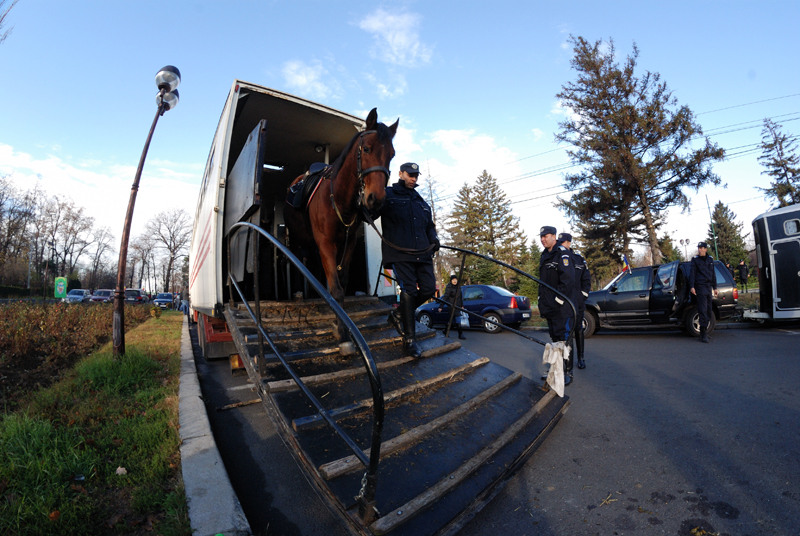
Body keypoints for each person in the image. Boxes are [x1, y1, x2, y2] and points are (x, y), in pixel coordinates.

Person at [379, 162, 439, 358]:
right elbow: (371, 210)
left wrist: (434, 239)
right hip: (400, 253)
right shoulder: (388, 194)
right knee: (409, 291)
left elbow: (429, 226)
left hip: (423, 253)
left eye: (416, 175)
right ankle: (409, 340)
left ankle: (398, 314)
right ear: (400, 174)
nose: (413, 178)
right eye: (410, 175)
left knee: (429, 289)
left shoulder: (420, 200)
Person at [538, 226, 577, 385]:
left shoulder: (562, 253)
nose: (543, 239)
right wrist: (542, 301)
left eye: (545, 236)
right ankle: (555, 371)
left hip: (561, 307)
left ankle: (567, 372)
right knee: (554, 340)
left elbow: (567, 281)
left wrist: (558, 301)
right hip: (549, 306)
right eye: (541, 237)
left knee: (564, 339)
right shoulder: (545, 255)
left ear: (554, 236)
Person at [558, 233, 590, 370]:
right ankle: (567, 361)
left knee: (578, 329)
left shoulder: (578, 259)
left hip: (577, 300)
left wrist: (583, 295)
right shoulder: (558, 258)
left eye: (563, 242)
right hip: (564, 302)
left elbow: (586, 279)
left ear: (569, 243)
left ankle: (581, 358)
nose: (561, 245)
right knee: (567, 332)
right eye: (560, 242)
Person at [689, 241, 718, 343]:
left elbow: (713, 274)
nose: (700, 250)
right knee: (702, 310)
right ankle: (703, 333)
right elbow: (692, 273)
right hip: (700, 287)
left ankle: (705, 331)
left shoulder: (710, 259)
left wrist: (715, 287)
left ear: (706, 249)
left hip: (708, 287)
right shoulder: (695, 260)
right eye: (699, 248)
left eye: (702, 248)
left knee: (709, 310)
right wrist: (692, 286)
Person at [441, 274, 466, 339]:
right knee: (455, 320)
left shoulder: (458, 287)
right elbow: (445, 297)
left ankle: (446, 331)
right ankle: (460, 334)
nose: (455, 281)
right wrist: (441, 306)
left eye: (456, 279)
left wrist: (462, 305)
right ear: (451, 281)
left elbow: (460, 297)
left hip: (457, 306)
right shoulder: (449, 287)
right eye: (453, 280)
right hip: (451, 306)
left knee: (454, 320)